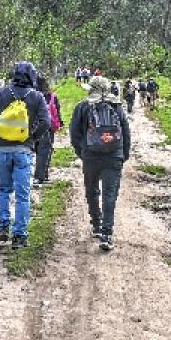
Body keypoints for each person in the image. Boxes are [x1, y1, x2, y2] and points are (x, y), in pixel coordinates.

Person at [0, 61, 51, 249]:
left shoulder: (0, 93)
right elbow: (46, 122)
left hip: (1, 149)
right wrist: (32, 137)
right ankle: (20, 236)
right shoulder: (36, 96)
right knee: (23, 194)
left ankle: (3, 227)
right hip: (23, 150)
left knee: (4, 189)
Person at [70, 75, 131, 252]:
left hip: (90, 155)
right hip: (114, 156)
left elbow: (74, 134)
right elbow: (126, 133)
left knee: (91, 190)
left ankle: (96, 223)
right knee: (109, 194)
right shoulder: (117, 107)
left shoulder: (82, 107)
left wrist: (81, 152)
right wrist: (123, 155)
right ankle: (107, 234)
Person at [34, 75, 63, 186]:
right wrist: (59, 123)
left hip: (33, 127)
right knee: (45, 152)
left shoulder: (31, 95)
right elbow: (57, 110)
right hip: (47, 127)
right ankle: (41, 177)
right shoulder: (51, 96)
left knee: (38, 151)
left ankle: (42, 176)